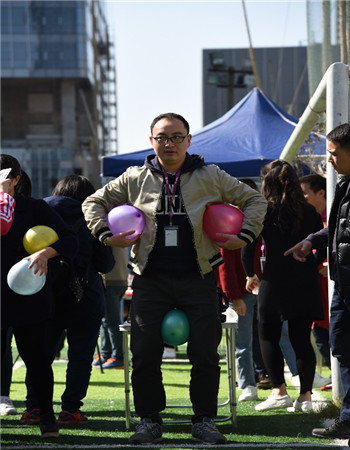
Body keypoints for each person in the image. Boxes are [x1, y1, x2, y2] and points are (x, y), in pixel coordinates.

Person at [82, 112, 267, 445]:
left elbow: (254, 199)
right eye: (162, 137)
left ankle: (204, 420)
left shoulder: (211, 175)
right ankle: (149, 420)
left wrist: (245, 234)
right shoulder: (134, 177)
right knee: (145, 352)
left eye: (177, 137)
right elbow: (93, 202)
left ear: (189, 140)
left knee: (205, 354)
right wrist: (106, 234)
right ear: (151, 141)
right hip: (149, 280)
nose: (170, 144)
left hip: (200, 277)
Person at [23, 174, 115, 426]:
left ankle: (34, 408)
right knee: (80, 358)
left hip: (43, 296)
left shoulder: (39, 212)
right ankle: (70, 410)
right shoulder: (92, 217)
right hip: (85, 298)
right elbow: (106, 263)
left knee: (40, 355)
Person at [1, 154, 78, 437]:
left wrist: (46, 252)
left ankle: (47, 416)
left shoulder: (34, 208)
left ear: (17, 180)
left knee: (35, 359)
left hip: (27, 297)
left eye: (3, 179)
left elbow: (70, 239)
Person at [242, 159, 325, 413]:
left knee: (268, 335)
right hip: (306, 279)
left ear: (267, 183)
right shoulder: (309, 211)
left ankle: (279, 391)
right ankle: (306, 397)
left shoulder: (265, 211)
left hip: (274, 279)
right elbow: (319, 242)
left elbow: (249, 245)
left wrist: (249, 274)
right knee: (302, 339)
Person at [285, 123, 350, 438]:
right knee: (343, 348)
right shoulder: (344, 183)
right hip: (343, 284)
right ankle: (348, 418)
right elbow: (338, 230)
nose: (330, 161)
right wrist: (313, 240)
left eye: (334, 154)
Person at [299, 174, 332, 382]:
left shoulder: (335, 215)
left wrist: (331, 264)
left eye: (305, 193)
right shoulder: (309, 217)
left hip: (335, 291)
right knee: (321, 336)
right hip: (318, 293)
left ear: (321, 192)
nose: (302, 198)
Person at [93, 246, 129, 370]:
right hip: (119, 279)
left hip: (110, 281)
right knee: (106, 320)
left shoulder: (109, 233)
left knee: (111, 321)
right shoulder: (119, 230)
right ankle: (106, 354)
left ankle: (118, 357)